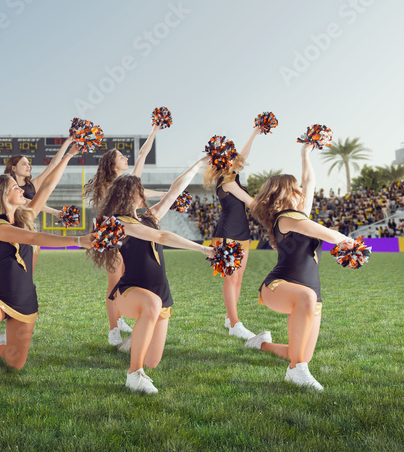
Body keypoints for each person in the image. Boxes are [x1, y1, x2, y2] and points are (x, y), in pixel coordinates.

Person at [0, 143, 85, 399]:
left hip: (25, 298)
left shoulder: (24, 216)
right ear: (2, 195)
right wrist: (78, 241)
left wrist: (71, 154)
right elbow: (33, 238)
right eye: (15, 188)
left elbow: (48, 186)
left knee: (16, 363)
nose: (22, 190)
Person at [89, 172, 215, 394]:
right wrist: (203, 249)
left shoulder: (148, 218)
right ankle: (134, 374)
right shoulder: (120, 223)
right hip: (129, 291)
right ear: (132, 193)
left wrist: (199, 164)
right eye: (140, 189)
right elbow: (162, 237)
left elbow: (174, 191)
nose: (143, 193)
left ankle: (132, 343)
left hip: (160, 294)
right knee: (151, 305)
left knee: (152, 361)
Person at [246, 142, 355, 392]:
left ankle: (261, 344)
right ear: (286, 194)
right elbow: (327, 234)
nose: (303, 191)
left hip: (310, 294)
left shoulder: (299, 216)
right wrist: (347, 241)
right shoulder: (286, 218)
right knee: (305, 301)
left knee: (303, 353)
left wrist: (305, 154)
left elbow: (311, 182)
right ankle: (294, 372)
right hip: (278, 287)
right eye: (297, 189)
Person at [83, 123, 162, 346]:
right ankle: (113, 329)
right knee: (114, 282)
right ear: (111, 163)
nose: (125, 158)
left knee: (127, 279)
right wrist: (167, 194)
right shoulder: (108, 185)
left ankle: (119, 319)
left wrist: (154, 130)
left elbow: (142, 155)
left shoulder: (127, 182)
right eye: (120, 156)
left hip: (129, 237)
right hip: (112, 237)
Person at [202, 125, 262, 340]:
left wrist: (254, 133)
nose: (235, 158)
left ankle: (231, 318)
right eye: (229, 156)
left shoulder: (233, 176)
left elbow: (242, 156)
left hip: (242, 233)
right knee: (231, 278)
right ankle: (235, 323)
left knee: (239, 279)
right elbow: (251, 203)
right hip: (227, 233)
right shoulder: (227, 182)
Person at [2, 136, 76, 275]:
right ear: (13, 167)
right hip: (11, 228)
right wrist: (54, 212)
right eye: (24, 164)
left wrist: (67, 143)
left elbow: (53, 166)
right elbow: (27, 202)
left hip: (30, 228)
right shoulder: (6, 185)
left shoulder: (33, 185)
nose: (28, 166)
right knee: (10, 270)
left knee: (28, 271)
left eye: (29, 163)